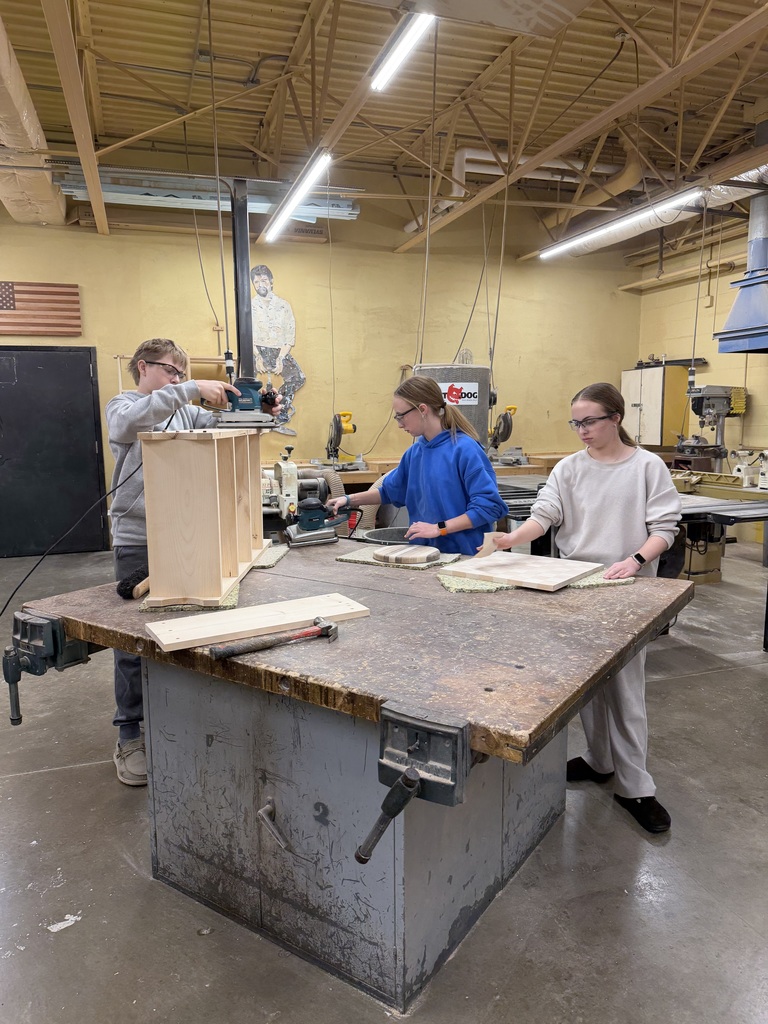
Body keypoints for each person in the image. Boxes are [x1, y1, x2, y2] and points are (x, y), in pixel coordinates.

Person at [490, 382, 681, 834]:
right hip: (574, 587)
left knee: (626, 691)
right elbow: (546, 513)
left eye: (590, 421)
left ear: (616, 418)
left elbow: (665, 527)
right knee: (586, 686)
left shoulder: (647, 467)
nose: (582, 430)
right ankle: (599, 760)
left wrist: (634, 561)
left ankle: (636, 786)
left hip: (626, 589)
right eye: (576, 422)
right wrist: (512, 539)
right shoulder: (569, 468)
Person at [105, 338, 281, 786]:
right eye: (171, 371)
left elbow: (223, 423)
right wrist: (190, 388)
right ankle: (129, 734)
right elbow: (129, 424)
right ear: (143, 367)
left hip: (190, 531)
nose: (179, 380)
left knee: (186, 628)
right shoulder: (123, 404)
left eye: (183, 374)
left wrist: (259, 407)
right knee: (132, 641)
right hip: (139, 538)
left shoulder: (186, 409)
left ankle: (177, 719)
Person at [327, 376, 508, 556]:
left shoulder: (465, 450)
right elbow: (389, 491)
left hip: (464, 557)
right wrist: (348, 499)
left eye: (401, 416)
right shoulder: (414, 453)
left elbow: (489, 507)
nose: (399, 425)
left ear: (422, 409)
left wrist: (439, 528)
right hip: (424, 556)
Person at [251, 264, 305, 432]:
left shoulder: (283, 306)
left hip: (278, 350)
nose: (261, 285)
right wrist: (258, 356)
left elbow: (289, 337)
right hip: (255, 349)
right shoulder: (249, 306)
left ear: (271, 282)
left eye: (264, 280)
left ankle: (279, 407)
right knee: (244, 380)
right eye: (257, 281)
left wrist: (281, 358)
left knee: (298, 377)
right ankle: (253, 413)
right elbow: (246, 336)